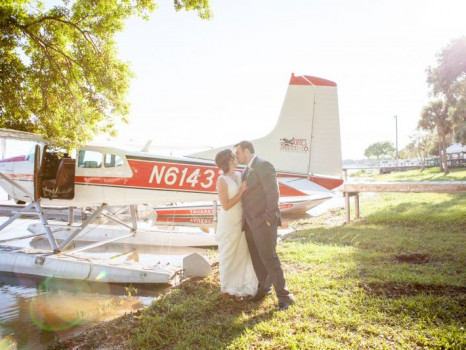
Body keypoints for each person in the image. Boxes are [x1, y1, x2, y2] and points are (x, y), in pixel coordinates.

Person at [234, 140, 295, 311]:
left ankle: (285, 296)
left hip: (263, 222)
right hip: (250, 223)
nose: (236, 156)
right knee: (257, 258)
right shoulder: (246, 170)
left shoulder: (264, 165)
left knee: (269, 257)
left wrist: (268, 218)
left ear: (246, 151)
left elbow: (273, 193)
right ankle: (264, 288)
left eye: (238, 153)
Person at [214, 149, 258, 301]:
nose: (236, 158)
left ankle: (238, 287)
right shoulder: (222, 180)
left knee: (241, 252)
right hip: (228, 221)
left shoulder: (239, 175)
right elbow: (225, 205)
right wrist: (241, 192)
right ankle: (226, 288)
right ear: (228, 161)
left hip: (241, 219)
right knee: (228, 253)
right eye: (233, 157)